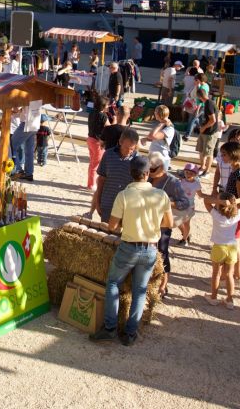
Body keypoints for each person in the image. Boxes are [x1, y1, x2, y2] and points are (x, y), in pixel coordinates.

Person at [89, 155, 171, 346]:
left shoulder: (124, 195)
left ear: (131, 173)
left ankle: (109, 328)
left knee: (112, 284)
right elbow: (168, 223)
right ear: (148, 173)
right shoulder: (160, 195)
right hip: (150, 248)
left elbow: (112, 226)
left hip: (128, 247)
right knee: (140, 291)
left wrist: (128, 223)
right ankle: (130, 333)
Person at [147, 152, 192, 298]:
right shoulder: (146, 177)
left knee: (162, 253)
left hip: (163, 225)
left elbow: (185, 202)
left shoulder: (172, 182)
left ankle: (163, 286)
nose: (149, 172)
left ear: (161, 167)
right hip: (147, 223)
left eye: (152, 170)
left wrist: (167, 203)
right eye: (148, 169)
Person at [219, 141, 240, 287]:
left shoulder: (239, 172)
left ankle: (236, 276)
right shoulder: (236, 168)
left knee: (234, 245)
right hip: (236, 213)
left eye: (224, 154)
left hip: (237, 214)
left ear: (232, 154)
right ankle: (231, 275)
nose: (222, 157)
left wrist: (233, 209)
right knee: (233, 243)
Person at [92, 128, 139, 221]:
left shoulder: (138, 160)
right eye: (126, 148)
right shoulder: (108, 154)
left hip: (126, 208)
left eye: (132, 149)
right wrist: (97, 202)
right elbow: (101, 180)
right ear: (120, 142)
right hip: (107, 204)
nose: (129, 151)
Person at [204, 192, 240, 309]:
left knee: (216, 273)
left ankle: (213, 297)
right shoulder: (237, 215)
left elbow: (206, 200)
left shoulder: (217, 215)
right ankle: (230, 300)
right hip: (232, 247)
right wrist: (234, 202)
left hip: (219, 246)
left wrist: (219, 201)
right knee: (229, 274)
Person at [212, 128, 240, 194]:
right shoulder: (222, 152)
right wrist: (214, 189)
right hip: (223, 187)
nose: (235, 142)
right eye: (233, 139)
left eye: (238, 140)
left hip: (238, 189)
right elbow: (218, 172)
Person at [178, 162, 205, 245]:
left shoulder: (196, 184)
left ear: (196, 174)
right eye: (186, 172)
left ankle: (184, 239)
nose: (188, 174)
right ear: (184, 172)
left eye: (191, 173)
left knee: (186, 223)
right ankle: (186, 234)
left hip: (189, 207)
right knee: (177, 222)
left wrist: (213, 198)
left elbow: (201, 195)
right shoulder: (180, 181)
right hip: (179, 205)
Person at [10, 105, 39, 182]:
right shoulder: (37, 95)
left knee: (11, 146)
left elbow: (16, 108)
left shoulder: (26, 94)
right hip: (35, 122)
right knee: (29, 151)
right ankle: (29, 173)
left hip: (26, 123)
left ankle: (19, 170)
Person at [142, 105, 175, 171]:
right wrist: (146, 139)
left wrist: (161, 124)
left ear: (160, 114)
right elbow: (157, 139)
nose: (154, 113)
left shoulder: (169, 128)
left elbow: (152, 136)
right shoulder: (163, 125)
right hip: (155, 159)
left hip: (162, 160)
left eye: (155, 112)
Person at [87, 94, 109, 190]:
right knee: (96, 164)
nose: (108, 107)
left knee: (92, 163)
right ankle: (91, 184)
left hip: (90, 139)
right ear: (103, 106)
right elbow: (109, 127)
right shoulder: (103, 116)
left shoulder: (92, 112)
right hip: (98, 142)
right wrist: (115, 119)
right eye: (107, 105)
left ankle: (90, 183)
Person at [195, 86, 219, 177]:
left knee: (208, 152)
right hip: (205, 131)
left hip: (210, 132)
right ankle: (202, 167)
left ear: (199, 97)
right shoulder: (209, 103)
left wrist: (204, 127)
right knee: (201, 150)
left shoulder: (209, 104)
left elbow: (213, 120)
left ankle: (207, 170)